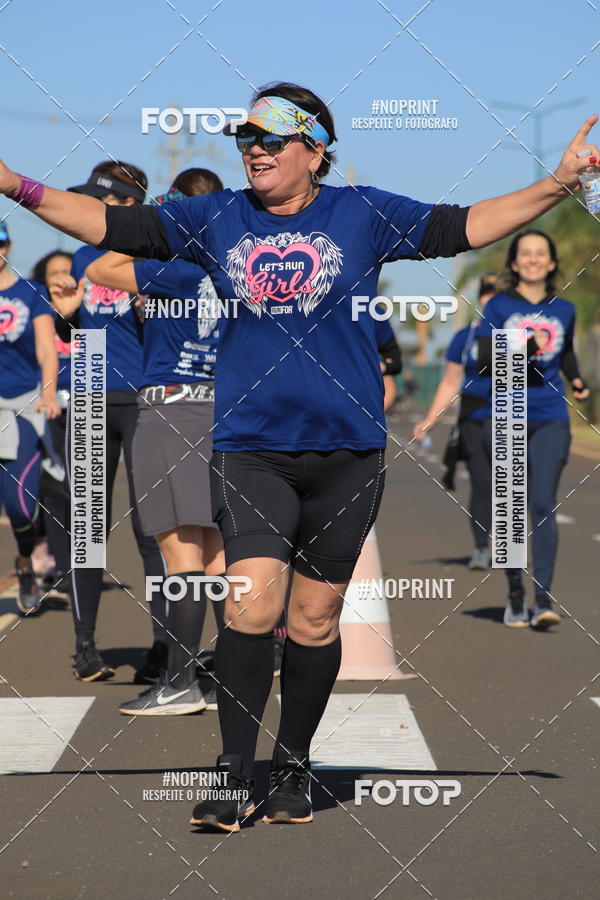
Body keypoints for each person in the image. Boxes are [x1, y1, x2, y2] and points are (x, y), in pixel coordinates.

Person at [1, 83, 596, 831]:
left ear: (314, 149)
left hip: (347, 454)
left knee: (314, 621)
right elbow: (99, 219)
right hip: (252, 449)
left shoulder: (363, 213)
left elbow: (469, 225)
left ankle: (294, 764)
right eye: (245, 138)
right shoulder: (216, 217)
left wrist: (559, 182)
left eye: (270, 138)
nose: (253, 149)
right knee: (250, 603)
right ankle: (231, 773)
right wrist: (9, 179)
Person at [84, 167, 226, 714]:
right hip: (222, 405)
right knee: (215, 553)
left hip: (173, 407)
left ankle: (181, 681)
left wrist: (157, 224)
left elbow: (101, 265)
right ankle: (225, 680)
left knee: (178, 551)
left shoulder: (177, 267)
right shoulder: (234, 266)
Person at [47, 160, 166, 683]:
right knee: (89, 529)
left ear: (129, 205)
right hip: (92, 388)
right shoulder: (81, 253)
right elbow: (78, 330)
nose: (92, 209)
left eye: (104, 200)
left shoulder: (157, 251)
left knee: (152, 529)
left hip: (145, 396)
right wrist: (69, 315)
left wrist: (149, 303)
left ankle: (164, 648)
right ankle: (85, 646)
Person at [477, 231, 589, 628]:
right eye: (525, 254)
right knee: (510, 508)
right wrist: (523, 347)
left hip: (550, 416)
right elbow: (483, 355)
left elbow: (569, 351)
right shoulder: (499, 307)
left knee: (541, 503)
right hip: (506, 412)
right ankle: (514, 592)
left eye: (541, 253)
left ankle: (542, 598)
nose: (533, 259)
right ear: (513, 262)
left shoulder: (565, 309)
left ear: (552, 262)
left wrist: (577, 381)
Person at [413, 276, 497, 569]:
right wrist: (430, 420)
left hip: (513, 419)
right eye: (486, 293)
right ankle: (481, 548)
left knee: (511, 486)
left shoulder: (521, 333)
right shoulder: (465, 337)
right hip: (474, 417)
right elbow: (450, 382)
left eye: (498, 293)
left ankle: (511, 549)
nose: (491, 299)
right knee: (483, 483)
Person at [0, 223, 61, 613]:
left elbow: (46, 348)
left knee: (21, 508)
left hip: (20, 406)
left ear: (7, 245)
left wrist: (49, 391)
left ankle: (25, 563)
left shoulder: (30, 293)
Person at [31, 250, 74, 598]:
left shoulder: (88, 309)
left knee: (84, 490)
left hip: (87, 408)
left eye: (66, 270)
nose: (60, 277)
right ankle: (61, 565)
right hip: (48, 411)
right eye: (53, 272)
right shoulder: (36, 313)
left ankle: (84, 566)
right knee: (53, 489)